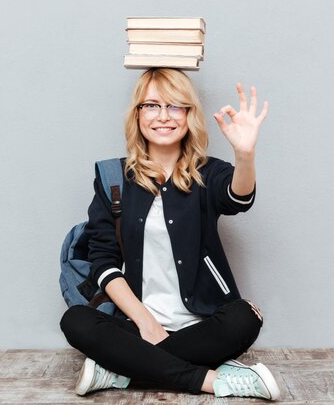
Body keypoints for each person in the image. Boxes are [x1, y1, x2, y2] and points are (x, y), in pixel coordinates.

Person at [60, 68, 281, 401]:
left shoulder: (208, 171)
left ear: (190, 115)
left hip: (202, 323)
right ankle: (210, 380)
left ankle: (122, 370)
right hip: (136, 325)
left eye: (175, 106)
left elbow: (239, 197)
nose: (163, 116)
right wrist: (146, 324)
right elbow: (103, 263)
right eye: (151, 106)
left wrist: (245, 155)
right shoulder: (113, 177)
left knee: (245, 317)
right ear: (137, 115)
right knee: (76, 321)